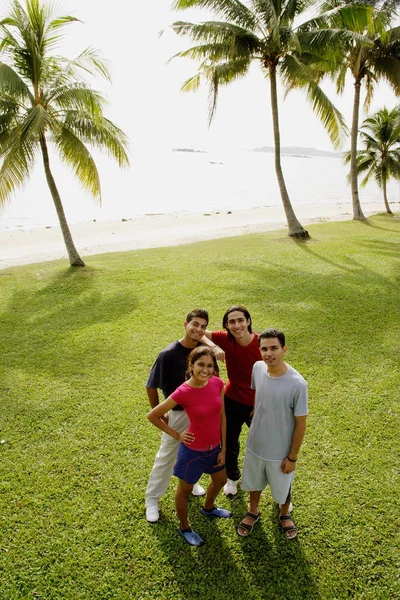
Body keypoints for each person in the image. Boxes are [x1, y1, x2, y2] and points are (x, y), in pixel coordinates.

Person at [148, 347, 231, 546]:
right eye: (201, 364)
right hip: (193, 452)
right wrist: (177, 435)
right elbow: (153, 416)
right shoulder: (184, 391)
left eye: (210, 365)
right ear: (191, 365)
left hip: (215, 448)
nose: (206, 370)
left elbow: (222, 416)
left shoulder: (218, 383)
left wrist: (224, 447)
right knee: (184, 491)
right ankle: (184, 527)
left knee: (220, 481)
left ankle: (208, 508)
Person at [236, 328, 308, 540]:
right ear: (259, 350)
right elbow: (259, 392)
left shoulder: (298, 384)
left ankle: (284, 513)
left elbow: (301, 423)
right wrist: (258, 409)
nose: (269, 354)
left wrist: (292, 457)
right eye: (264, 349)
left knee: (283, 487)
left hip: (280, 452)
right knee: (254, 482)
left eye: (274, 348)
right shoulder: (258, 368)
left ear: (284, 349)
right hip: (256, 444)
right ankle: (253, 510)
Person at [145, 309, 210, 523]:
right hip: (178, 414)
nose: (198, 329)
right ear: (185, 324)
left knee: (193, 453)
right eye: (195, 324)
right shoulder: (168, 354)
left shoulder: (202, 350)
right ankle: (152, 499)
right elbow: (151, 386)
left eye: (203, 326)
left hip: (200, 414)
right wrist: (162, 415)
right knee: (166, 457)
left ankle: (190, 485)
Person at [202, 305, 261, 496]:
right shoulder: (226, 339)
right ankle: (232, 478)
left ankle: (276, 488)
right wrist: (213, 346)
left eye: (240, 320)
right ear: (227, 326)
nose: (237, 325)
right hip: (232, 401)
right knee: (229, 442)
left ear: (249, 321)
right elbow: (200, 333)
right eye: (232, 322)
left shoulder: (262, 344)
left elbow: (273, 377)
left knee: (267, 445)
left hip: (258, 404)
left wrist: (259, 405)